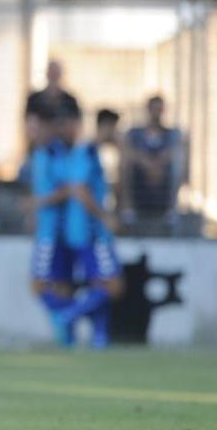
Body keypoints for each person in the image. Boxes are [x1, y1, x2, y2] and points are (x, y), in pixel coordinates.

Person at [56, 109, 125, 349]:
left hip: (88, 231)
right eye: (115, 129)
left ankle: (99, 338)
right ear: (105, 127)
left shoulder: (93, 153)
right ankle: (68, 314)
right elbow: (81, 191)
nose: (116, 134)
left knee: (99, 284)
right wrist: (104, 216)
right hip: (90, 231)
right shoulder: (86, 151)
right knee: (113, 285)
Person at [27, 99, 76, 346]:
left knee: (39, 284)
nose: (31, 131)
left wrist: (38, 204)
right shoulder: (38, 153)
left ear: (47, 127)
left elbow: (69, 189)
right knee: (58, 283)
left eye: (34, 127)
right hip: (46, 229)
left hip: (55, 231)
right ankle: (67, 337)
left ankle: (66, 317)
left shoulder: (57, 153)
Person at [121, 95, 184, 225]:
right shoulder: (135, 133)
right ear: (148, 109)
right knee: (125, 165)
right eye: (154, 109)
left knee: (178, 164)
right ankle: (128, 208)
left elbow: (175, 151)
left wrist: (158, 164)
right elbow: (128, 151)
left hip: (163, 178)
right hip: (141, 177)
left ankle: (171, 209)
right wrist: (147, 164)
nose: (157, 113)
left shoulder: (171, 134)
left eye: (159, 109)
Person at [25, 60, 79, 128]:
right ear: (47, 74)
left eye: (55, 73)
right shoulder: (34, 100)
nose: (53, 76)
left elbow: (73, 128)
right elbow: (31, 127)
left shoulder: (70, 101)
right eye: (52, 73)